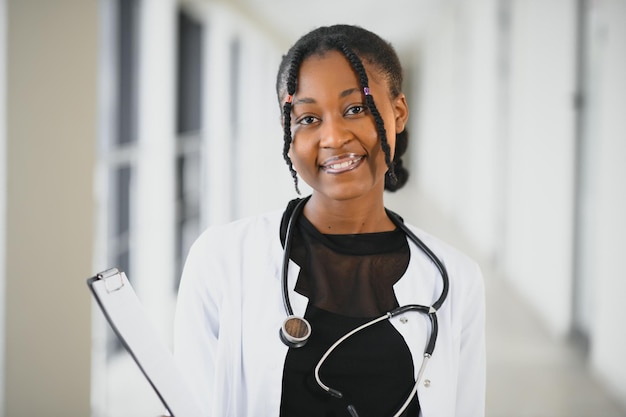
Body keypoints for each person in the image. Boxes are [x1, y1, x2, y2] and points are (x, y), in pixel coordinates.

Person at [174, 24, 485, 417]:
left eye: (355, 109)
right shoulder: (220, 260)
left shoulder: (455, 278)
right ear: (288, 132)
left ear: (399, 112)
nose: (333, 137)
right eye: (307, 118)